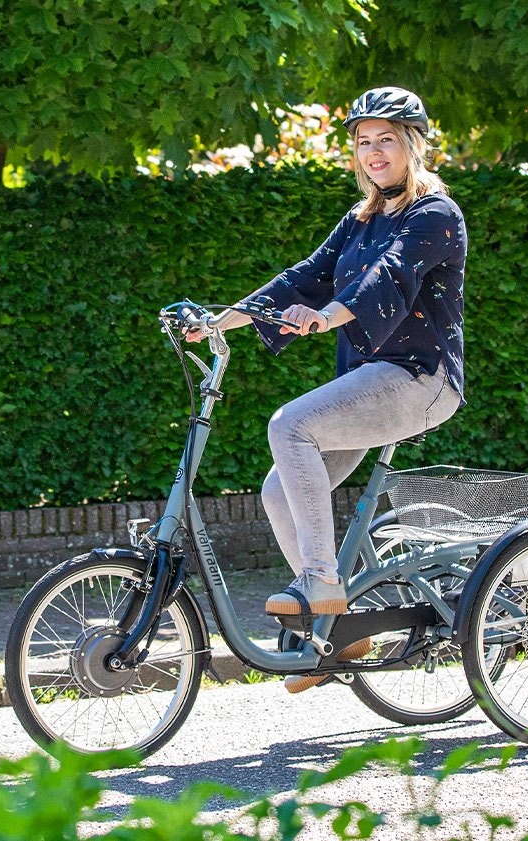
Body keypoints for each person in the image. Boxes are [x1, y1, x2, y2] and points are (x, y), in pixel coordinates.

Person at [188, 86, 467, 648]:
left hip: (420, 377)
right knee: (275, 492)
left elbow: (386, 276)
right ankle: (339, 632)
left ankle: (321, 583)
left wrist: (326, 317)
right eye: (364, 142)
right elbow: (302, 277)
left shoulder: (435, 214)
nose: (374, 152)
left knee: (289, 424)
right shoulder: (361, 218)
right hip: (368, 381)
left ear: (414, 144)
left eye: (386, 139)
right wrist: (219, 323)